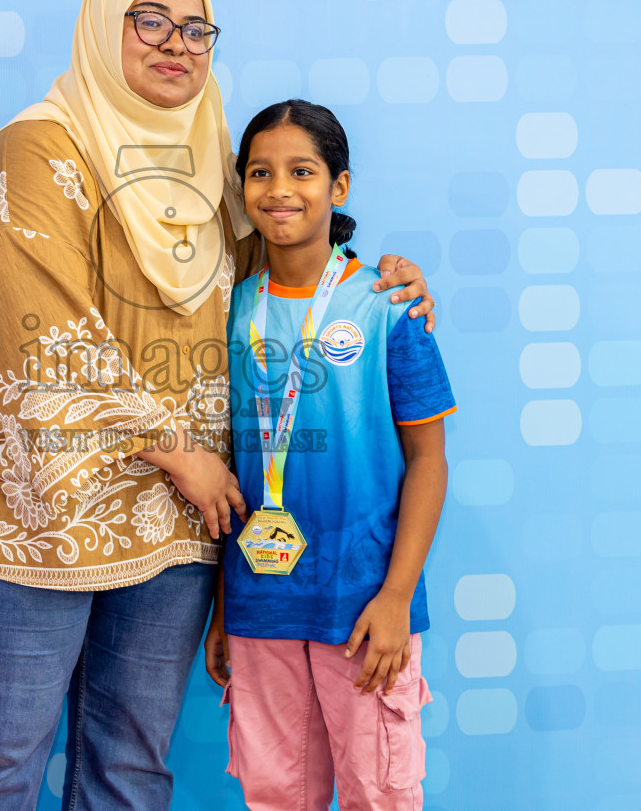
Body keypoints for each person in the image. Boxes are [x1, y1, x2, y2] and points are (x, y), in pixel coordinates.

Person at [0, 0, 437, 811]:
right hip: (38, 523)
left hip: (173, 533)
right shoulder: (36, 152)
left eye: (196, 29)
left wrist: (388, 280)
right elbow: (39, 338)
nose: (177, 44)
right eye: (149, 20)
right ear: (102, 26)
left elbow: (283, 291)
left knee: (130, 766)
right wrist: (179, 453)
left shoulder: (210, 169)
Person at [205, 100, 455, 811]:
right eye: (260, 172)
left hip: (363, 607)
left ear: (338, 188)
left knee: (381, 795)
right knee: (275, 794)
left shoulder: (387, 303)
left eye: (302, 171)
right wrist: (225, 608)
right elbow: (234, 466)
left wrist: (398, 598)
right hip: (261, 604)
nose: (279, 189)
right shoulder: (228, 310)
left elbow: (428, 461)